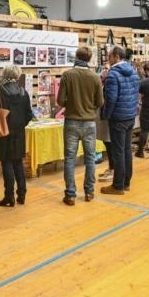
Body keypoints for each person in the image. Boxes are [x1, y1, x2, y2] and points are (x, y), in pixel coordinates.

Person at [57, 47, 104, 205]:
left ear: (77, 57)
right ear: (89, 59)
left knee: (70, 159)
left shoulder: (67, 75)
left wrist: (72, 103)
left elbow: (60, 101)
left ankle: (70, 194)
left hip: (71, 121)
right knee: (90, 158)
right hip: (90, 122)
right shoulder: (95, 77)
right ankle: (89, 192)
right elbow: (100, 102)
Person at [0, 65, 32, 207]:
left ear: (5, 75)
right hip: (19, 133)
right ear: (17, 75)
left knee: (6, 163)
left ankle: (9, 196)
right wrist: (20, 124)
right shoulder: (23, 92)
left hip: (2, 132)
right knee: (18, 162)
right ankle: (22, 195)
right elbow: (29, 114)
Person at [101, 46, 140, 195]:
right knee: (126, 150)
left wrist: (106, 115)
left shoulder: (112, 75)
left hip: (117, 117)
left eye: (110, 56)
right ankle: (126, 183)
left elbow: (110, 99)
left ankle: (117, 185)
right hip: (130, 116)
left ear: (116, 56)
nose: (108, 59)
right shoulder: (134, 73)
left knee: (118, 152)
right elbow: (136, 95)